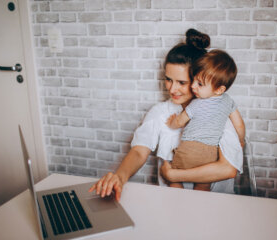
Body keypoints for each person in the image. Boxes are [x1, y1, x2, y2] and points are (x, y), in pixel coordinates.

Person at [89, 29, 244, 201]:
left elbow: (228, 169)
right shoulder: (161, 112)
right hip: (172, 204)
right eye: (168, 79)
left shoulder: (219, 113)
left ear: (198, 81)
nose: (172, 89)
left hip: (217, 204)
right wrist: (120, 176)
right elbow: (140, 151)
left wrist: (173, 176)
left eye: (182, 82)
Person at [166, 49, 245, 191]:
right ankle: (199, 208)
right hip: (210, 154)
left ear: (219, 89)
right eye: (194, 80)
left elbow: (179, 122)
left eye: (200, 84)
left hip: (188, 150)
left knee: (174, 178)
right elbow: (239, 124)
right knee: (203, 185)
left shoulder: (195, 104)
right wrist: (241, 139)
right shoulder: (228, 101)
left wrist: (171, 123)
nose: (193, 86)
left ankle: (176, 199)